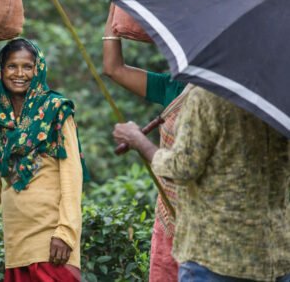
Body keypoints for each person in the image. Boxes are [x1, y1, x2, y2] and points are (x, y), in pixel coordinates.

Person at [112, 86, 290, 282]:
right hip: (276, 255)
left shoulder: (207, 97)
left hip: (214, 256)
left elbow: (181, 168)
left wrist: (138, 140)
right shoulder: (280, 96)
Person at [0, 38, 85, 281]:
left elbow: (72, 176)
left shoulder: (56, 110)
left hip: (52, 243)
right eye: (12, 66)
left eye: (28, 66)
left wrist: (65, 233)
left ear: (39, 70)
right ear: (0, 71)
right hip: (16, 245)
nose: (20, 73)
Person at [102, 1, 187, 282]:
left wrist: (139, 140)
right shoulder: (174, 87)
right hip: (172, 215)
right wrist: (115, 8)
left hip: (208, 221)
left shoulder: (222, 96)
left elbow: (186, 167)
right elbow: (114, 68)